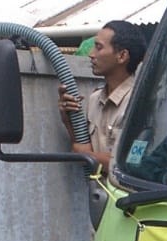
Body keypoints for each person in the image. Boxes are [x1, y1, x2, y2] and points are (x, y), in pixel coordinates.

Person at [57, 20, 147, 173]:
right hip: (98, 195)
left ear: (122, 56)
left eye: (98, 47)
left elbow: (131, 165)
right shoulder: (95, 99)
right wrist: (68, 121)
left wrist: (84, 155)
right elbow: (83, 148)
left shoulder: (139, 103)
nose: (91, 54)